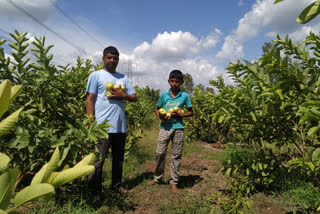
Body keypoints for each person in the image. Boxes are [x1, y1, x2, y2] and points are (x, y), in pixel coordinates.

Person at [86, 46, 137, 198]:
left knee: (118, 160)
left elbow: (134, 97)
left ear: (118, 60)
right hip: (102, 127)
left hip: (120, 127)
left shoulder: (123, 78)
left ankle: (116, 187)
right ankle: (94, 193)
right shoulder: (96, 76)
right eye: (109, 57)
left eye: (115, 58)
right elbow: (90, 99)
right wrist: (91, 122)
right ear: (103, 59)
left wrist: (123, 95)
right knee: (97, 161)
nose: (112, 60)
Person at [149, 70, 193, 194]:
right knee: (159, 153)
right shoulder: (164, 95)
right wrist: (161, 116)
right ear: (169, 81)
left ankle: (174, 182)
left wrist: (182, 114)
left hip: (179, 128)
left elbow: (191, 111)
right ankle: (157, 178)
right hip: (165, 127)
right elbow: (157, 109)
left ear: (181, 83)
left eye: (177, 82)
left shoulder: (185, 96)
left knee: (176, 155)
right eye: (172, 81)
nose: (174, 84)